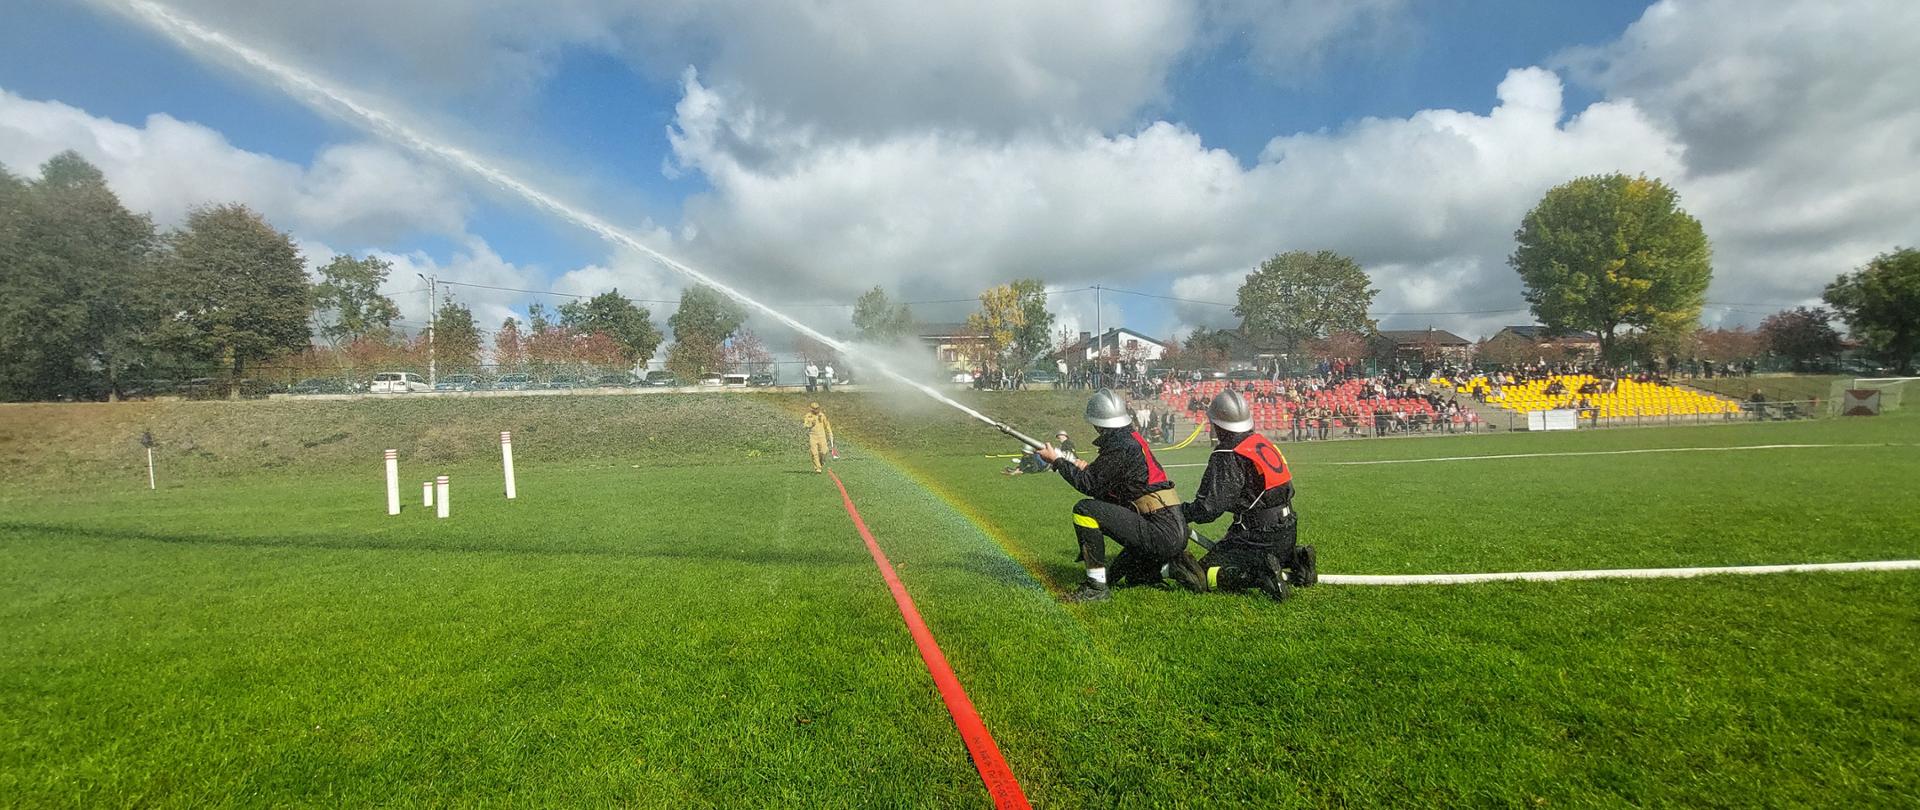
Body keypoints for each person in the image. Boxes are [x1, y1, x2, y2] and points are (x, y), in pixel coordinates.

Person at [1036, 389, 1205, 602]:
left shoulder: (1120, 446)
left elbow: (1089, 486)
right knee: (1117, 576)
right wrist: (1084, 469)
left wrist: (1058, 462)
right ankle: (1168, 567)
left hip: (1161, 531)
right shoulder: (1130, 439)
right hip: (1169, 527)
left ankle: (1096, 589)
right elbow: (1109, 486)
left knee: (1084, 509)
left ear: (1099, 423)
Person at [1184, 390, 1317, 600]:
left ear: (1217, 424)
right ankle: (1298, 561)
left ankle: (1260, 576)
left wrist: (1182, 512)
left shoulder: (1228, 454)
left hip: (1258, 537)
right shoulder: (1259, 442)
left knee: (1203, 573)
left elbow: (1208, 509)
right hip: (1288, 532)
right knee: (1269, 554)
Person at [1005, 430, 1075, 476]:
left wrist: (1023, 471)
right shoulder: (1026, 457)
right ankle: (1013, 471)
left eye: (1025, 453)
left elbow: (1035, 469)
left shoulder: (1034, 458)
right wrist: (1017, 469)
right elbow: (1022, 464)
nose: (1024, 454)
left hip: (1047, 467)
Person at [803, 402, 834, 473]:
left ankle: (821, 461)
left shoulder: (822, 415)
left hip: (822, 436)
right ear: (811, 409)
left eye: (817, 408)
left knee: (824, 451)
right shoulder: (808, 416)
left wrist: (830, 433)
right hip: (813, 436)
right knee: (814, 453)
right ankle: (818, 468)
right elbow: (805, 425)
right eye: (814, 408)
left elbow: (827, 425)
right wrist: (811, 424)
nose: (816, 410)